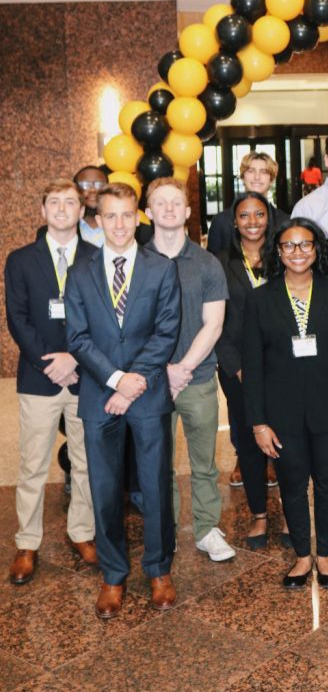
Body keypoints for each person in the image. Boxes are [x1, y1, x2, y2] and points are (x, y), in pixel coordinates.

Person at [65, 182, 181, 618]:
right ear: (97, 221)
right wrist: (115, 380)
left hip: (147, 393)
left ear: (139, 218)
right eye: (109, 216)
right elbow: (76, 336)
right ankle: (113, 575)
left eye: (126, 215)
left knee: (155, 485)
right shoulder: (80, 272)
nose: (118, 224)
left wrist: (133, 381)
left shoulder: (161, 268)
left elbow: (166, 332)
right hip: (99, 395)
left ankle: (158, 570)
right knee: (105, 488)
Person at [243, 217, 328, 588]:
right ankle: (301, 556)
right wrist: (259, 423)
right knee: (292, 485)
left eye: (305, 244)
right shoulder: (259, 300)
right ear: (277, 252)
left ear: (317, 250)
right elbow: (253, 365)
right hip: (281, 417)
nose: (297, 252)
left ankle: (325, 555)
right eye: (288, 246)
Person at [5, 179, 98, 585]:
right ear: (42, 211)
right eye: (54, 203)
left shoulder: (97, 257)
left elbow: (104, 321)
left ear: (81, 211)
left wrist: (74, 359)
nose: (62, 209)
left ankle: (82, 532)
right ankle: (27, 542)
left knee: (87, 462)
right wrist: (52, 362)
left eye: (70, 202)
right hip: (39, 377)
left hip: (86, 377)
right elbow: (18, 320)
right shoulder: (21, 260)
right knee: (32, 465)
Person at [144, 178, 235, 562]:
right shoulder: (134, 261)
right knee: (156, 465)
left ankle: (206, 529)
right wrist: (160, 370)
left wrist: (180, 369)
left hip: (195, 379)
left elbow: (212, 324)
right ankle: (165, 533)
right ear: (147, 213)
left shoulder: (207, 263)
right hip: (149, 383)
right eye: (159, 203)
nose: (167, 209)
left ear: (186, 212)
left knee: (204, 464)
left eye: (175, 203)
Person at [216, 192, 279, 549]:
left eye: (259, 214)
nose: (252, 221)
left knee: (287, 439)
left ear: (268, 217)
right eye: (244, 215)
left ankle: (290, 508)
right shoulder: (221, 262)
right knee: (249, 440)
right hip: (237, 367)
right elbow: (217, 319)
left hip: (283, 366)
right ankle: (259, 515)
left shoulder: (283, 256)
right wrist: (236, 367)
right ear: (234, 221)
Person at [207, 151, 287, 257]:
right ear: (242, 177)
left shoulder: (284, 221)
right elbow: (213, 267)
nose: (257, 177)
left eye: (264, 172)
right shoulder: (221, 222)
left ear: (271, 179)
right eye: (251, 171)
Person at [73, 165, 111, 246]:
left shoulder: (132, 230)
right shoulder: (62, 228)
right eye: (85, 185)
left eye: (99, 185)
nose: (93, 190)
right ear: (75, 190)